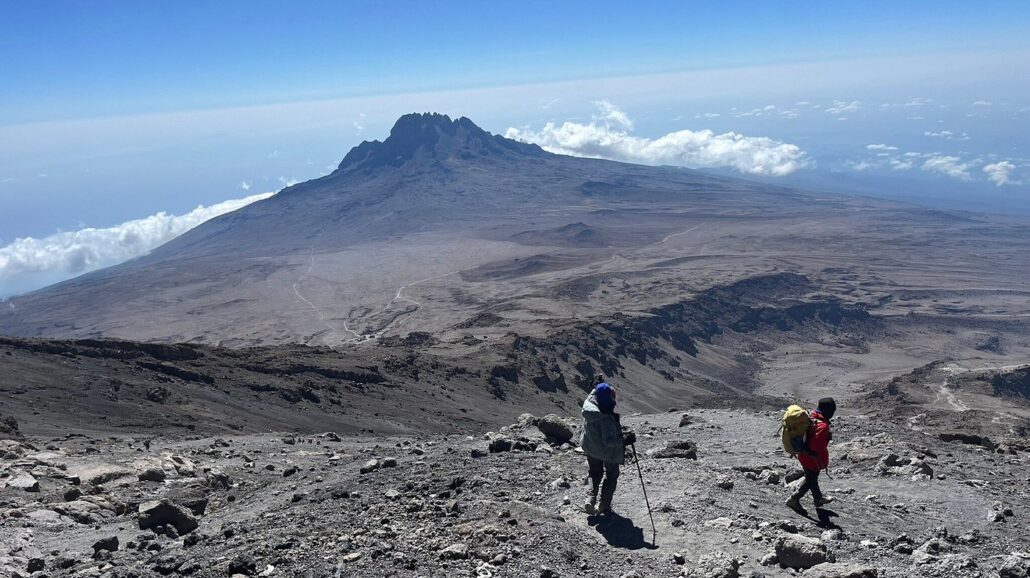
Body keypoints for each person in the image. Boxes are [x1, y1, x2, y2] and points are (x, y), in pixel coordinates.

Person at [580, 376, 635, 515]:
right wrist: (624, 441)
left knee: (594, 473)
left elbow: (597, 391)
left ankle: (589, 499)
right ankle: (603, 505)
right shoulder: (605, 419)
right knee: (611, 475)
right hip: (606, 451)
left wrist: (599, 385)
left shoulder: (590, 405)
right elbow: (609, 441)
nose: (614, 401)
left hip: (590, 447)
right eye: (612, 398)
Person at [786, 397, 836, 511]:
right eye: (832, 411)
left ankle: (818, 499)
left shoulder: (812, 416)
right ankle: (793, 499)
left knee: (812, 477)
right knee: (810, 479)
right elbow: (816, 446)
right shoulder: (822, 425)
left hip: (803, 454)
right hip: (812, 458)